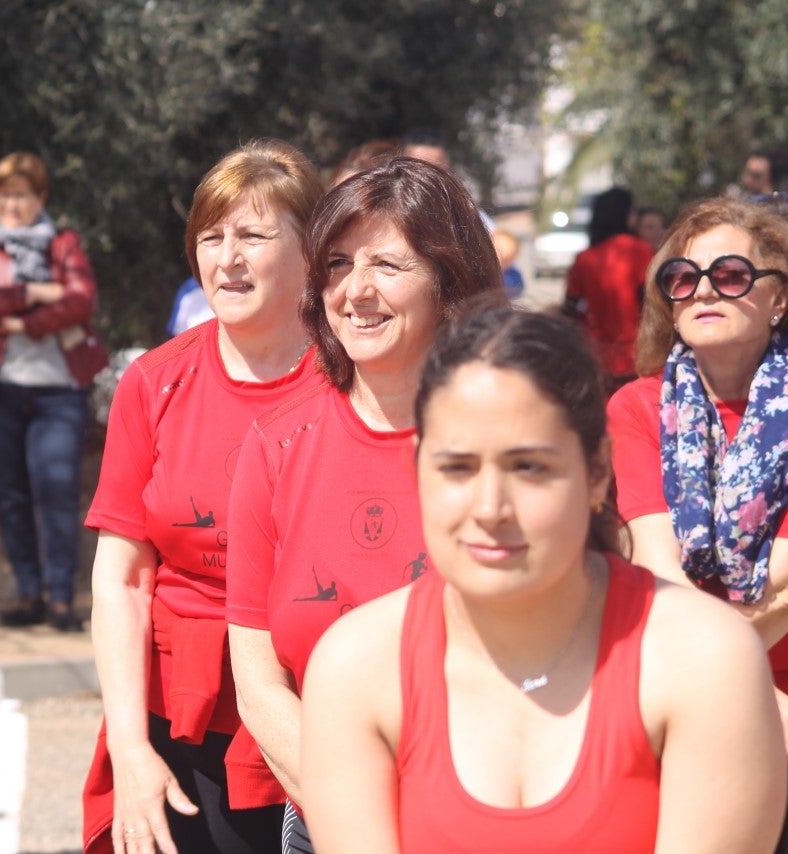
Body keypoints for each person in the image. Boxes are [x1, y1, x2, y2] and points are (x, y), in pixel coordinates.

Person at [300, 305, 787, 853]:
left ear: (597, 471)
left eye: (529, 468)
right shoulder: (357, 667)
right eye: (456, 467)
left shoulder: (703, 657)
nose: (490, 508)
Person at [226, 156, 505, 852]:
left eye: (387, 264)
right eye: (338, 264)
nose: (356, 290)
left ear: (449, 281)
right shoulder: (276, 444)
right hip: (327, 823)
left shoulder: (514, 440)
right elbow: (258, 682)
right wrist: (359, 818)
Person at [82, 139, 324, 854]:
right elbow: (122, 580)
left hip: (317, 714)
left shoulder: (353, 384)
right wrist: (130, 749)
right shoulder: (153, 383)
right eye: (211, 238)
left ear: (311, 250)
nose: (228, 258)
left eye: (253, 236)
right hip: (178, 723)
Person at [607, 196, 788, 852]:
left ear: (779, 296)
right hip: (688, 706)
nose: (703, 290)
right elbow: (658, 570)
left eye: (730, 274)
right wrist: (749, 688)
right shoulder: (636, 408)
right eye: (682, 277)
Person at [0, 151, 108, 632]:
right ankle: (28, 595)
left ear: (40, 198)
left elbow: (82, 301)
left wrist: (23, 323)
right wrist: (35, 293)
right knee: (11, 494)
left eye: (20, 195)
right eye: (3, 195)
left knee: (56, 489)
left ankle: (61, 599)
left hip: (58, 391)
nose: (11, 205)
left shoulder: (63, 244)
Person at [562, 187, 654, 385]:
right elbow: (650, 301)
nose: (635, 217)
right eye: (632, 211)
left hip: (597, 356)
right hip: (637, 354)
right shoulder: (640, 250)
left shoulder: (584, 258)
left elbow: (570, 308)